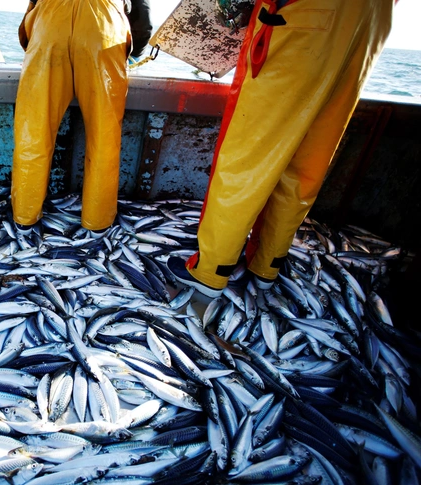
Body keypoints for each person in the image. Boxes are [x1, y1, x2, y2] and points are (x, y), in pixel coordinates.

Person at [167, 0, 394, 298]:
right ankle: (266, 265)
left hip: (304, 22)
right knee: (305, 163)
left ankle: (211, 270)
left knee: (247, 159)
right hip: (368, 28)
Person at [11, 0, 151, 233]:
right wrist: (134, 53)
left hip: (49, 26)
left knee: (33, 132)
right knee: (104, 137)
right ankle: (97, 223)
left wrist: (38, 40)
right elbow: (142, 12)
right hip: (104, 32)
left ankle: (24, 218)